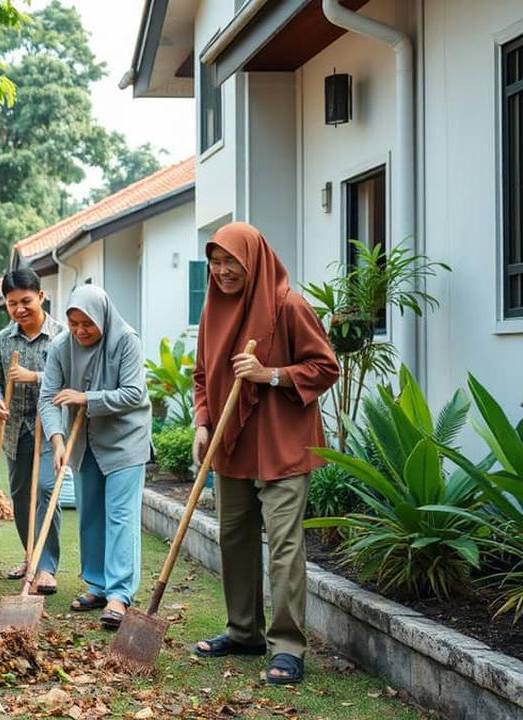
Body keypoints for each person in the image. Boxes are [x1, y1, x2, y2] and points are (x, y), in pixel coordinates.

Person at [190, 222, 339, 686]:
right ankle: (243, 631)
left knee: (284, 546)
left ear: (253, 260)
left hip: (281, 446)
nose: (222, 271)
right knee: (233, 539)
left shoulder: (288, 306)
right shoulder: (214, 308)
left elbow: (325, 367)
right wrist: (201, 421)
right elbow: (201, 374)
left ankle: (289, 647)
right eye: (215, 263)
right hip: (230, 444)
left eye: (231, 262)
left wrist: (268, 375)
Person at [39, 284, 151, 630]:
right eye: (73, 323)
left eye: (87, 324)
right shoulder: (60, 346)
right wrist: (57, 441)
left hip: (125, 441)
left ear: (102, 317)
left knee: (120, 515)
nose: (80, 331)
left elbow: (133, 393)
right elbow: (49, 397)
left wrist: (86, 398)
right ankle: (98, 585)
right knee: (90, 514)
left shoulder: (126, 341)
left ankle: (119, 594)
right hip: (83, 441)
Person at [0, 269, 65, 593]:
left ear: (41, 297)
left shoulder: (61, 336)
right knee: (20, 498)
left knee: (46, 489)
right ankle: (30, 556)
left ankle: (46, 567)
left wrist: (35, 377)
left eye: (26, 301)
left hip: (50, 429)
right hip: (15, 428)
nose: (20, 309)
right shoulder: (3, 340)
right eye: (12, 303)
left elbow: (69, 381)